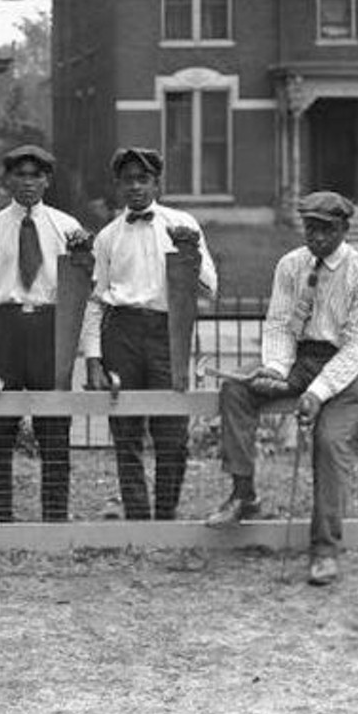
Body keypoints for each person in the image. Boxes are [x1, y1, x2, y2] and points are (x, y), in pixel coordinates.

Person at [205, 190, 358, 587]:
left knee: (328, 441)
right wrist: (274, 368)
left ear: (344, 228)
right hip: (297, 359)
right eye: (311, 228)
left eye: (327, 229)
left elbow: (357, 347)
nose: (317, 237)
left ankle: (324, 550)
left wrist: (317, 393)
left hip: (345, 372)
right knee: (237, 390)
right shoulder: (290, 265)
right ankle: (243, 494)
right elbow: (279, 324)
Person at [82, 147, 217, 521]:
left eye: (143, 179)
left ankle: (166, 516)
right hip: (121, 333)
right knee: (125, 433)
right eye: (128, 180)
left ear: (157, 183)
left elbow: (210, 288)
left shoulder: (182, 224)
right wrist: (93, 357)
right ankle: (139, 519)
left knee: (172, 433)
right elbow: (95, 300)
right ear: (118, 186)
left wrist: (191, 254)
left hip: (167, 334)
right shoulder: (108, 237)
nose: (136, 187)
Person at [0, 145, 84, 523]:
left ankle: (55, 520)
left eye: (36, 175)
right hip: (7, 329)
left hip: (50, 330)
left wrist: (75, 346)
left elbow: (82, 289)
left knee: (54, 431)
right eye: (21, 174)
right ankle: (1, 520)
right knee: (0, 430)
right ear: (7, 180)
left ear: (48, 180)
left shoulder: (68, 228)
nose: (29, 182)